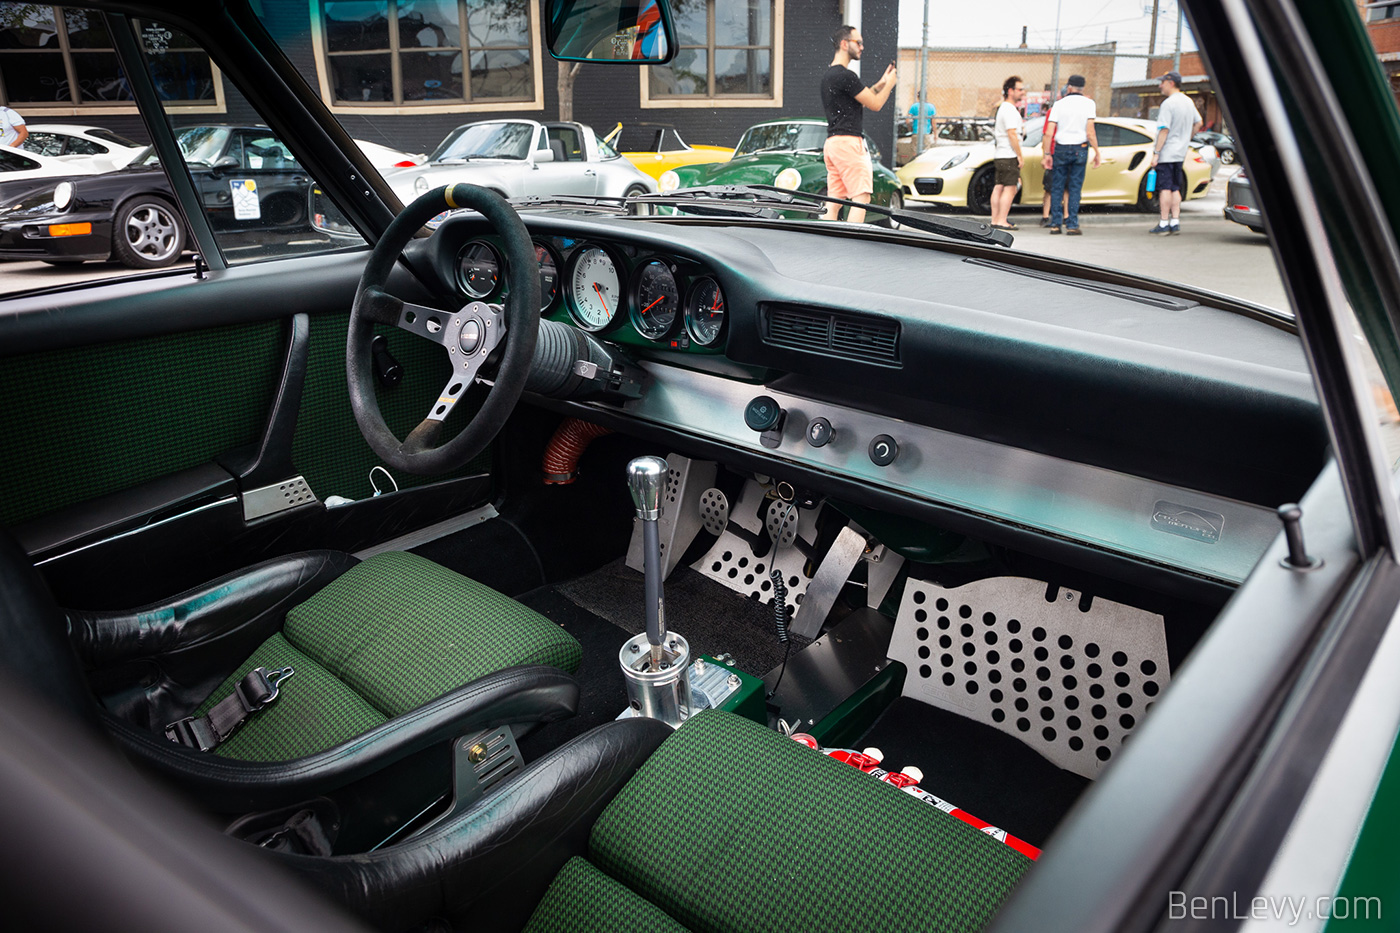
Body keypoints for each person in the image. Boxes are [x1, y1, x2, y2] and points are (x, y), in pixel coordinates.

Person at [821, 25, 897, 224]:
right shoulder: (846, 76)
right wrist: (890, 84)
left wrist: (880, 84)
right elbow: (876, 104)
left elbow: (861, 97)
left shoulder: (829, 76)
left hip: (833, 144)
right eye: (859, 42)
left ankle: (824, 240)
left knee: (834, 200)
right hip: (849, 143)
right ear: (844, 44)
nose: (862, 47)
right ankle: (852, 246)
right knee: (861, 197)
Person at [1041, 75, 1099, 235]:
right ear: (1082, 88)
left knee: (1057, 186)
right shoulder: (1089, 104)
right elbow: (1090, 131)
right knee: (1075, 187)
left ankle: (1055, 224)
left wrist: (1047, 153)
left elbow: (1048, 132)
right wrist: (1097, 151)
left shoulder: (1059, 104)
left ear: (1070, 87)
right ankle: (1072, 224)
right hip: (1080, 148)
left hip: (1060, 148)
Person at [1149, 71, 1203, 235]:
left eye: (1162, 82)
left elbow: (1164, 130)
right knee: (1174, 187)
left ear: (1170, 83)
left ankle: (1164, 223)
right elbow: (1199, 122)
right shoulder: (1188, 101)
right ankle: (1175, 221)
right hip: (1180, 152)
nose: (1160, 85)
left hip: (1167, 152)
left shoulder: (1168, 103)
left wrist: (1157, 153)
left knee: (1164, 188)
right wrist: (1187, 137)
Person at [989, 75, 1024, 230]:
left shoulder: (1003, 108)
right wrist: (1019, 155)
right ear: (1010, 91)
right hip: (1009, 154)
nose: (1023, 92)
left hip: (1000, 154)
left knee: (999, 186)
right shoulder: (1009, 109)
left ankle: (995, 220)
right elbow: (1012, 133)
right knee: (1010, 187)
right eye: (1020, 89)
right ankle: (1002, 220)